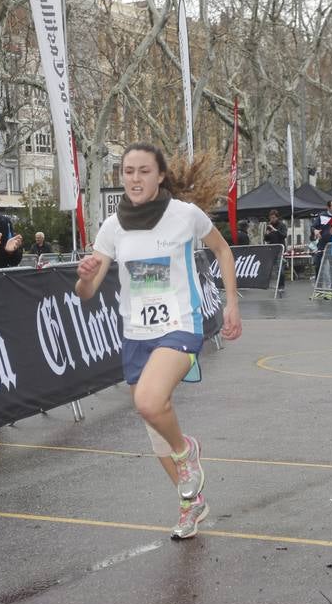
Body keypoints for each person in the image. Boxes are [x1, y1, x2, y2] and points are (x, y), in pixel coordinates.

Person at [74, 143, 241, 540]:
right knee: (154, 427)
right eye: (128, 171)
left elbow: (222, 248)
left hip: (180, 325)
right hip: (136, 334)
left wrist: (231, 301)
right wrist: (83, 275)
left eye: (144, 170)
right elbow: (87, 291)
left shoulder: (185, 215)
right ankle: (191, 503)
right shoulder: (112, 227)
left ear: (160, 175)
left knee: (148, 401)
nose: (135, 178)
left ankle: (187, 453)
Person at [310, 200, 332, 299]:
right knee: (318, 265)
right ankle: (319, 289)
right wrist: (315, 230)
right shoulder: (321, 216)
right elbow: (313, 227)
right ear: (328, 207)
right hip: (322, 245)